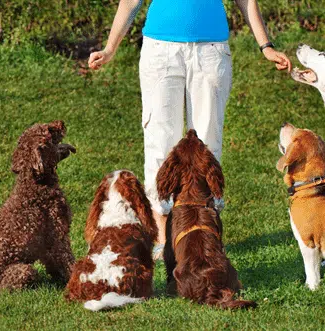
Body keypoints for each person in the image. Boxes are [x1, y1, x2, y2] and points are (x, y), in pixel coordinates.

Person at [89, 0, 292, 259]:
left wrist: (266, 47)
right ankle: (163, 238)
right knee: (160, 141)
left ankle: (207, 231)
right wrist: (109, 48)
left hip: (210, 52)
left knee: (207, 146)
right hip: (161, 52)